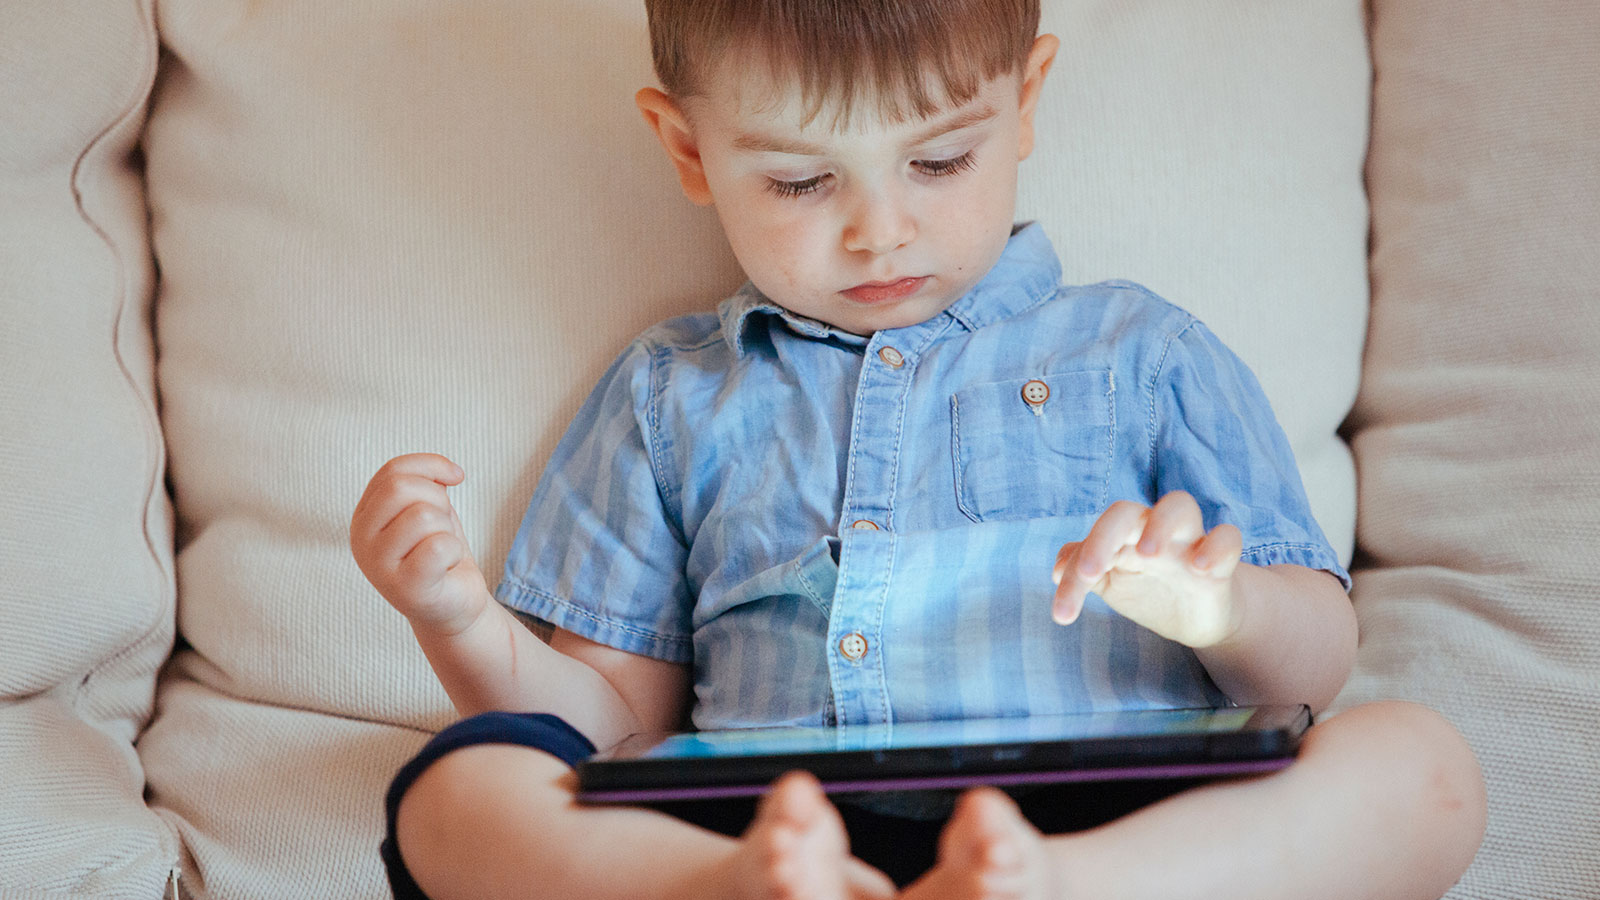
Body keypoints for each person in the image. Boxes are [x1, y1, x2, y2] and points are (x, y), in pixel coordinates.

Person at [350, 1, 1486, 897]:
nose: (878, 229)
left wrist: (1223, 609)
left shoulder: (1143, 353)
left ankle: (1055, 890)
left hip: (1131, 825)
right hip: (771, 832)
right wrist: (456, 622)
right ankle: (724, 893)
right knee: (457, 793)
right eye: (800, 181)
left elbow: (1317, 664)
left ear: (1025, 100)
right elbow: (609, 726)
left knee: (1422, 765)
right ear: (686, 149)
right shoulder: (673, 393)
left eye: (937, 163)